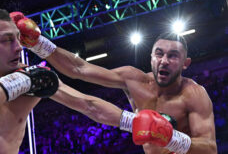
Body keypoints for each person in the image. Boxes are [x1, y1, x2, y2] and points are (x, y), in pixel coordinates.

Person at [13, 12, 218, 154]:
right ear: (151, 57)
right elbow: (79, 69)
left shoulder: (194, 94)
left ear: (185, 63)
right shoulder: (133, 79)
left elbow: (210, 149)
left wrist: (171, 137)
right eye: (159, 54)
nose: (164, 61)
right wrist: (38, 44)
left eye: (173, 56)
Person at [0, 6, 125, 154]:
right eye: (7, 40)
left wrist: (135, 122)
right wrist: (22, 81)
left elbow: (88, 105)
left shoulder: (31, 76)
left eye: (18, 38)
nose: (19, 47)